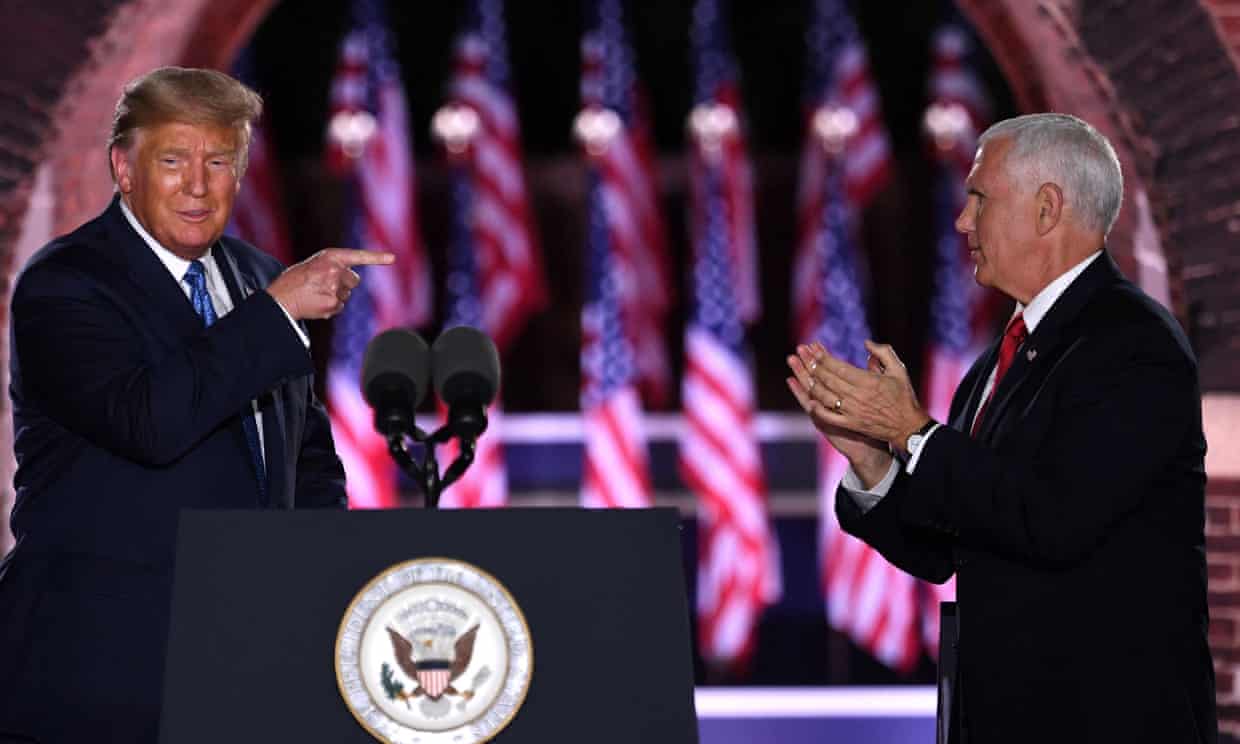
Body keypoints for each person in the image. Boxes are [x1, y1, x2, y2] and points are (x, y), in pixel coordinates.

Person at [786, 113, 1215, 743]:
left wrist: (912, 432)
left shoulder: (1133, 346)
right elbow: (947, 544)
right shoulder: (1000, 359)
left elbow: (1053, 517)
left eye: (979, 198)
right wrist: (874, 461)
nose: (962, 222)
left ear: (1047, 209)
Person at [0, 67, 393, 743]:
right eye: (173, 160)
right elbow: (151, 421)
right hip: (94, 677)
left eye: (219, 161)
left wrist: (314, 586)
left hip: (240, 670)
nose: (198, 185)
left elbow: (306, 463)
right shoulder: (65, 284)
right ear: (124, 167)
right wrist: (275, 314)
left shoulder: (260, 277)